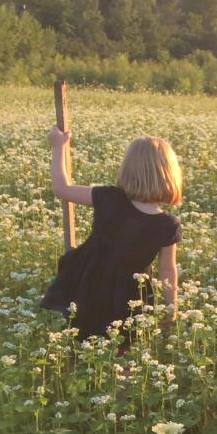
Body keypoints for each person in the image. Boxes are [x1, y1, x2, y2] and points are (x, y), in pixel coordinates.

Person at [40, 130, 182, 342]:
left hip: (87, 282)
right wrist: (171, 309)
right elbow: (167, 270)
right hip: (130, 296)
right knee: (122, 348)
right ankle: (120, 374)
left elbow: (61, 189)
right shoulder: (167, 224)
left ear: (127, 170)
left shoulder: (108, 197)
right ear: (170, 174)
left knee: (78, 339)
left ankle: (75, 370)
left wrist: (58, 147)